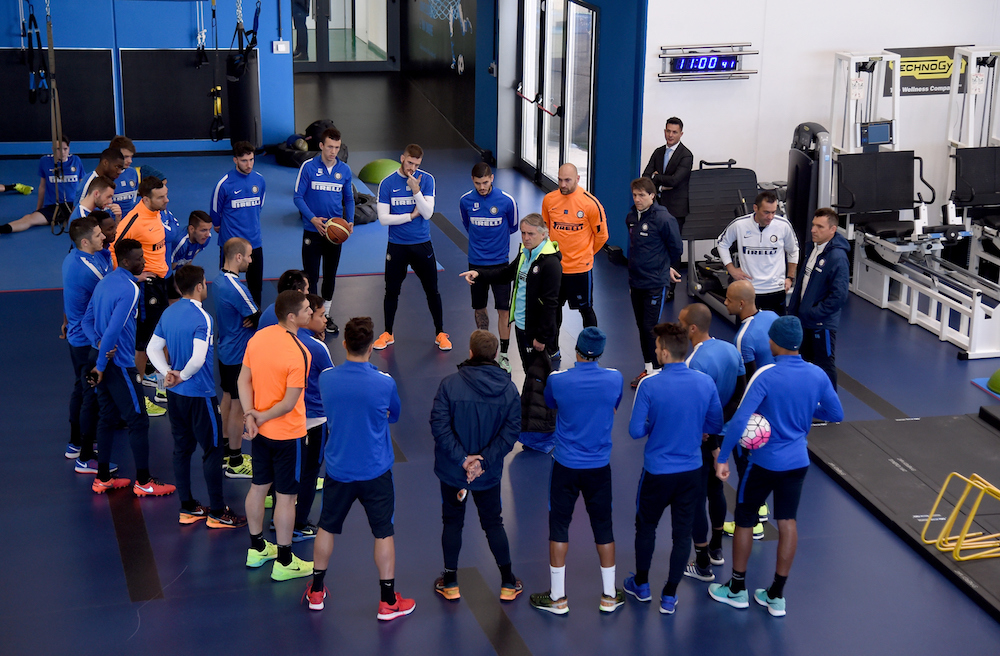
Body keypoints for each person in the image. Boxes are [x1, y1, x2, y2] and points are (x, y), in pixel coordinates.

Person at [709, 316, 843, 617]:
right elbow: (836, 414)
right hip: (798, 462)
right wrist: (807, 410)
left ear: (776, 343)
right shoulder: (817, 374)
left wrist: (722, 457)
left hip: (763, 463)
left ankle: (737, 589)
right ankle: (776, 595)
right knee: (787, 522)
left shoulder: (766, 374)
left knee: (745, 518)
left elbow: (741, 419)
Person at [306, 317, 416, 621]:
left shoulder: (326, 378)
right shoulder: (384, 382)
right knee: (383, 533)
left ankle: (316, 591)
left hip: (338, 469)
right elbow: (394, 415)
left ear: (344, 344)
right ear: (370, 348)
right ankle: (388, 601)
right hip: (375, 471)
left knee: (326, 527)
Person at [624, 322, 722, 615]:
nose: (655, 351)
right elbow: (715, 424)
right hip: (691, 472)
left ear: (665, 353)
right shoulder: (705, 382)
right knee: (682, 534)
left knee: (646, 527)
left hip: (657, 473)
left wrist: (655, 425)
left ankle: (642, 585)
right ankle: (669, 595)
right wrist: (696, 428)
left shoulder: (649, 385)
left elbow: (634, 431)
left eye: (657, 348)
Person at [529, 327, 625, 615]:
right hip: (599, 467)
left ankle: (558, 598)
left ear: (577, 350)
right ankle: (609, 595)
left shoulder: (558, 380)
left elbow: (550, 403)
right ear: (601, 352)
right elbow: (614, 407)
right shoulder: (615, 378)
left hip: (566, 465)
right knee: (604, 527)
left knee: (559, 527)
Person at [146, 265, 247, 529]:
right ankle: (218, 512)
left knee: (182, 450)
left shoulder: (169, 312)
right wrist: (182, 375)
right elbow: (199, 358)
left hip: (175, 396)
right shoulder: (203, 317)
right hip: (200, 395)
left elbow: (152, 348)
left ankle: (188, 508)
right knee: (213, 450)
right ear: (200, 285)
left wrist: (168, 373)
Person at [430, 330, 521, 602]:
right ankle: (508, 582)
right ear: (495, 355)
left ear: (470, 352)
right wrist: (483, 461)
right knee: (493, 523)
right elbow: (511, 432)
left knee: (452, 522)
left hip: (453, 471)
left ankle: (450, 583)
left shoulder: (449, 385)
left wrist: (463, 459)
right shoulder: (509, 390)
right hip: (487, 474)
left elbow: (439, 426)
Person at [83, 238, 176, 497]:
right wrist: (102, 364)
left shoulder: (105, 282)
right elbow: (114, 330)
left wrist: (98, 345)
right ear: (125, 261)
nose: (144, 262)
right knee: (138, 421)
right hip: (119, 365)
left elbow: (87, 320)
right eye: (139, 259)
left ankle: (102, 478)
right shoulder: (130, 290)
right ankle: (144, 481)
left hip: (98, 356)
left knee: (107, 416)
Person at [461, 214, 562, 451]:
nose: (525, 238)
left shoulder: (550, 264)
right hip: (522, 326)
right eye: (523, 233)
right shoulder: (526, 254)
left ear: (544, 234)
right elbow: (506, 273)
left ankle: (547, 430)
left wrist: (542, 338)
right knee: (530, 374)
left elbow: (551, 305)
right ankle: (535, 425)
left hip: (536, 333)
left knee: (541, 378)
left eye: (531, 234)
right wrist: (480, 274)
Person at [239, 290, 315, 582]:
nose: (311, 312)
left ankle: (257, 548)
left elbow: (243, 380)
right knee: (286, 497)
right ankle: (284, 561)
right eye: (307, 309)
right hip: (288, 435)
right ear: (292, 317)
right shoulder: (300, 352)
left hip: (260, 433)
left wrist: (251, 415)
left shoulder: (258, 338)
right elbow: (288, 403)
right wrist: (258, 416)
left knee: (258, 487)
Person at [678, 303, 745, 582]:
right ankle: (717, 549)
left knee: (696, 497)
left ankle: (703, 562)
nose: (679, 328)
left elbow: (697, 405)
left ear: (692, 328)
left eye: (682, 324)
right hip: (726, 432)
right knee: (716, 489)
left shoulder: (694, 363)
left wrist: (708, 430)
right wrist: (722, 423)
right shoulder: (730, 349)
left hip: (704, 437)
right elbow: (740, 389)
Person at [374, 144, 451, 351]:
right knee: (391, 291)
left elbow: (427, 213)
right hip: (397, 245)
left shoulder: (427, 180)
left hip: (422, 244)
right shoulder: (387, 183)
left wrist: (416, 190)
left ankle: (440, 333)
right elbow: (383, 219)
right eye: (409, 163)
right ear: (402, 158)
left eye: (416, 164)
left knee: (432, 290)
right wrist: (410, 216)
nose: (412, 168)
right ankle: (388, 333)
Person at [723, 279, 779, 539]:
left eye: (729, 299)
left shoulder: (742, 338)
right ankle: (762, 508)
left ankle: (753, 522)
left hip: (758, 411)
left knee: (745, 462)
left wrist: (736, 419)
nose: (725, 303)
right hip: (776, 402)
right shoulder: (772, 317)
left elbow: (747, 384)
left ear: (741, 303)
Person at [112, 175, 171, 418]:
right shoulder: (134, 220)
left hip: (161, 282)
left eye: (166, 195)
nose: (166, 200)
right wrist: (132, 277)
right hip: (147, 287)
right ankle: (137, 395)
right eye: (161, 197)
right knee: (144, 342)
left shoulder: (156, 213)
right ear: (145, 199)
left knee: (162, 336)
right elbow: (114, 248)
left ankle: (161, 386)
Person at [61, 216, 110, 471]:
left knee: (80, 388)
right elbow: (112, 290)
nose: (104, 237)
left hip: (75, 337)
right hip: (87, 341)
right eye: (99, 235)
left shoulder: (71, 258)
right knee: (90, 395)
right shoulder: (90, 270)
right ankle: (86, 456)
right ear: (85, 242)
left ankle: (75, 444)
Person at [294, 127, 354, 334]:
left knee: (330, 274)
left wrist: (350, 221)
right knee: (311, 277)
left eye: (337, 147)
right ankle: (311, 316)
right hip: (312, 231)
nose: (333, 151)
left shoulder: (344, 170)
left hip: (334, 234)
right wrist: (312, 219)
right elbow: (298, 197)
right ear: (321, 146)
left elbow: (349, 199)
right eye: (329, 147)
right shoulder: (308, 167)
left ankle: (325, 315)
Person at [459, 163, 519, 372]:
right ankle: (483, 352)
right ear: (472, 180)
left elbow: (513, 226)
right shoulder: (465, 201)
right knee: (479, 307)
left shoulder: (507, 201)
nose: (482, 187)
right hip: (475, 263)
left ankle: (504, 355)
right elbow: (467, 224)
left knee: (504, 310)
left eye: (485, 182)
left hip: (500, 263)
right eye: (478, 183)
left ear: (492, 178)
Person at [625, 177, 683, 388]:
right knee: (641, 327)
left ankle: (657, 371)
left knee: (650, 328)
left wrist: (665, 267)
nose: (637, 199)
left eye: (642, 195)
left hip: (655, 284)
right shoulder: (632, 217)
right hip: (636, 281)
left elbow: (676, 248)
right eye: (634, 195)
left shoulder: (664, 219)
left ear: (652, 195)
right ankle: (649, 368)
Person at [541, 163, 608, 334]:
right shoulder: (549, 200)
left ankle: (592, 346)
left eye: (567, 180)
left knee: (586, 309)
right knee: (553, 308)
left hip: (580, 269)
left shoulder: (590, 204)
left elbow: (602, 236)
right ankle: (552, 346)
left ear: (577, 179)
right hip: (556, 268)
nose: (563, 184)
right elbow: (545, 229)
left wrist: (586, 254)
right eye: (560, 180)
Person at [787, 208, 851, 389]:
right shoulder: (813, 249)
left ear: (833, 229)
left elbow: (839, 296)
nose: (813, 230)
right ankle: (809, 399)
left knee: (824, 365)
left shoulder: (837, 257)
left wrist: (814, 313)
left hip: (821, 324)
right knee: (805, 362)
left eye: (820, 227)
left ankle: (830, 403)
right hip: (804, 320)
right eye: (813, 225)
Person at [212, 237, 259, 479]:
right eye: (249, 256)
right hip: (239, 354)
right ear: (238, 257)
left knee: (228, 399)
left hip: (225, 349)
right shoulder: (236, 287)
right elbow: (258, 316)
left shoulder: (218, 281)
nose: (251, 261)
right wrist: (256, 318)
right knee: (239, 407)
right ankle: (236, 460)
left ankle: (225, 452)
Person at [293, 294, 336, 541]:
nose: (325, 319)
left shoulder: (287, 338)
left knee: (290, 471)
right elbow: (331, 381)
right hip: (315, 419)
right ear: (307, 317)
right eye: (320, 315)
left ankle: (281, 519)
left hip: (288, 418)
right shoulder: (317, 348)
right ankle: (299, 524)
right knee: (310, 474)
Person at [716, 190, 799, 314]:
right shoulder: (739, 224)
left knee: (776, 326)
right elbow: (722, 243)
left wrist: (790, 277)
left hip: (776, 289)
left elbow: (793, 251)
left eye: (773, 212)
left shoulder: (783, 225)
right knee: (747, 325)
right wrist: (731, 269)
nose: (770, 217)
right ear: (755, 208)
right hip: (749, 290)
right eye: (766, 212)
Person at [211, 141, 267, 306]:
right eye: (244, 161)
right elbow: (215, 214)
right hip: (230, 244)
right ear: (235, 160)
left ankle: (254, 317)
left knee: (256, 287)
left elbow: (259, 206)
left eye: (251, 159)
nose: (249, 165)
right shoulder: (224, 184)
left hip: (254, 242)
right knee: (226, 287)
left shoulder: (260, 180)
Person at [0, 136, 83, 234]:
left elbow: (84, 185)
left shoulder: (76, 160)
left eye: (65, 149)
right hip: (54, 206)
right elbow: (42, 187)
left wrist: (82, 205)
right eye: (58, 149)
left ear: (69, 148)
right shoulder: (45, 161)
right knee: (29, 219)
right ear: (53, 149)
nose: (62, 152)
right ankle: (2, 229)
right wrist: (38, 208)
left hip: (74, 205)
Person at [643, 117, 693, 235]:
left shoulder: (686, 155)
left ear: (681, 134)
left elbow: (675, 180)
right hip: (655, 206)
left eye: (674, 132)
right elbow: (646, 177)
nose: (670, 135)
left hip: (675, 209)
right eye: (668, 131)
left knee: (672, 243)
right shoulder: (658, 152)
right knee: (654, 241)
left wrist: (656, 177)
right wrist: (660, 185)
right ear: (664, 131)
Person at [78, 148, 126, 221]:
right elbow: (78, 213)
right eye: (117, 167)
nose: (119, 172)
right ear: (105, 163)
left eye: (121, 169)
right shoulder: (88, 183)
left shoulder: (111, 181)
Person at [108, 135, 141, 216]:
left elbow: (134, 199)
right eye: (126, 157)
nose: (130, 161)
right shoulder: (104, 176)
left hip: (131, 220)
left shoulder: (133, 172)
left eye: (131, 156)